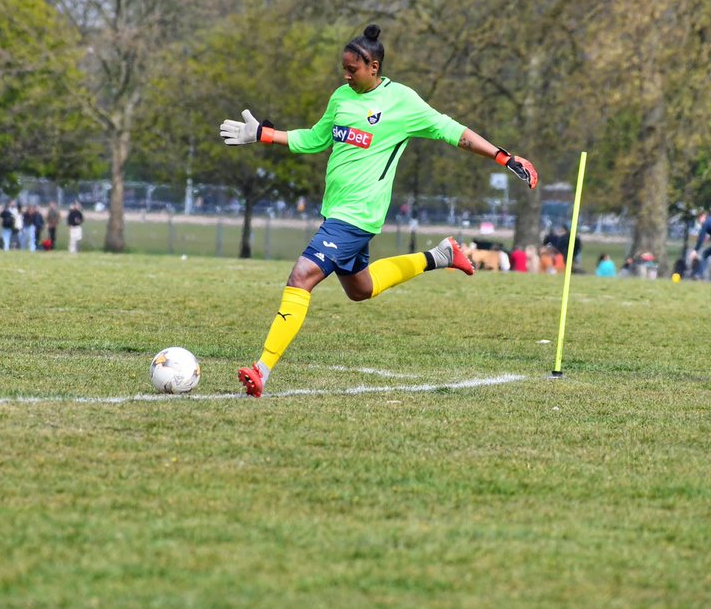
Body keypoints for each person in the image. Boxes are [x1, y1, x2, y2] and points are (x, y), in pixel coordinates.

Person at [220, 23, 538, 398]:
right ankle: (441, 255)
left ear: (373, 66)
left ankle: (262, 369)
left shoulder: (403, 102)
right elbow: (315, 138)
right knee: (361, 288)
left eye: (352, 68)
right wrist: (264, 135)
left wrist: (504, 157)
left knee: (301, 276)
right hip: (336, 210)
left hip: (359, 215)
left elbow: (456, 133)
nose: (345, 74)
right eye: (343, 67)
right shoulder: (341, 97)